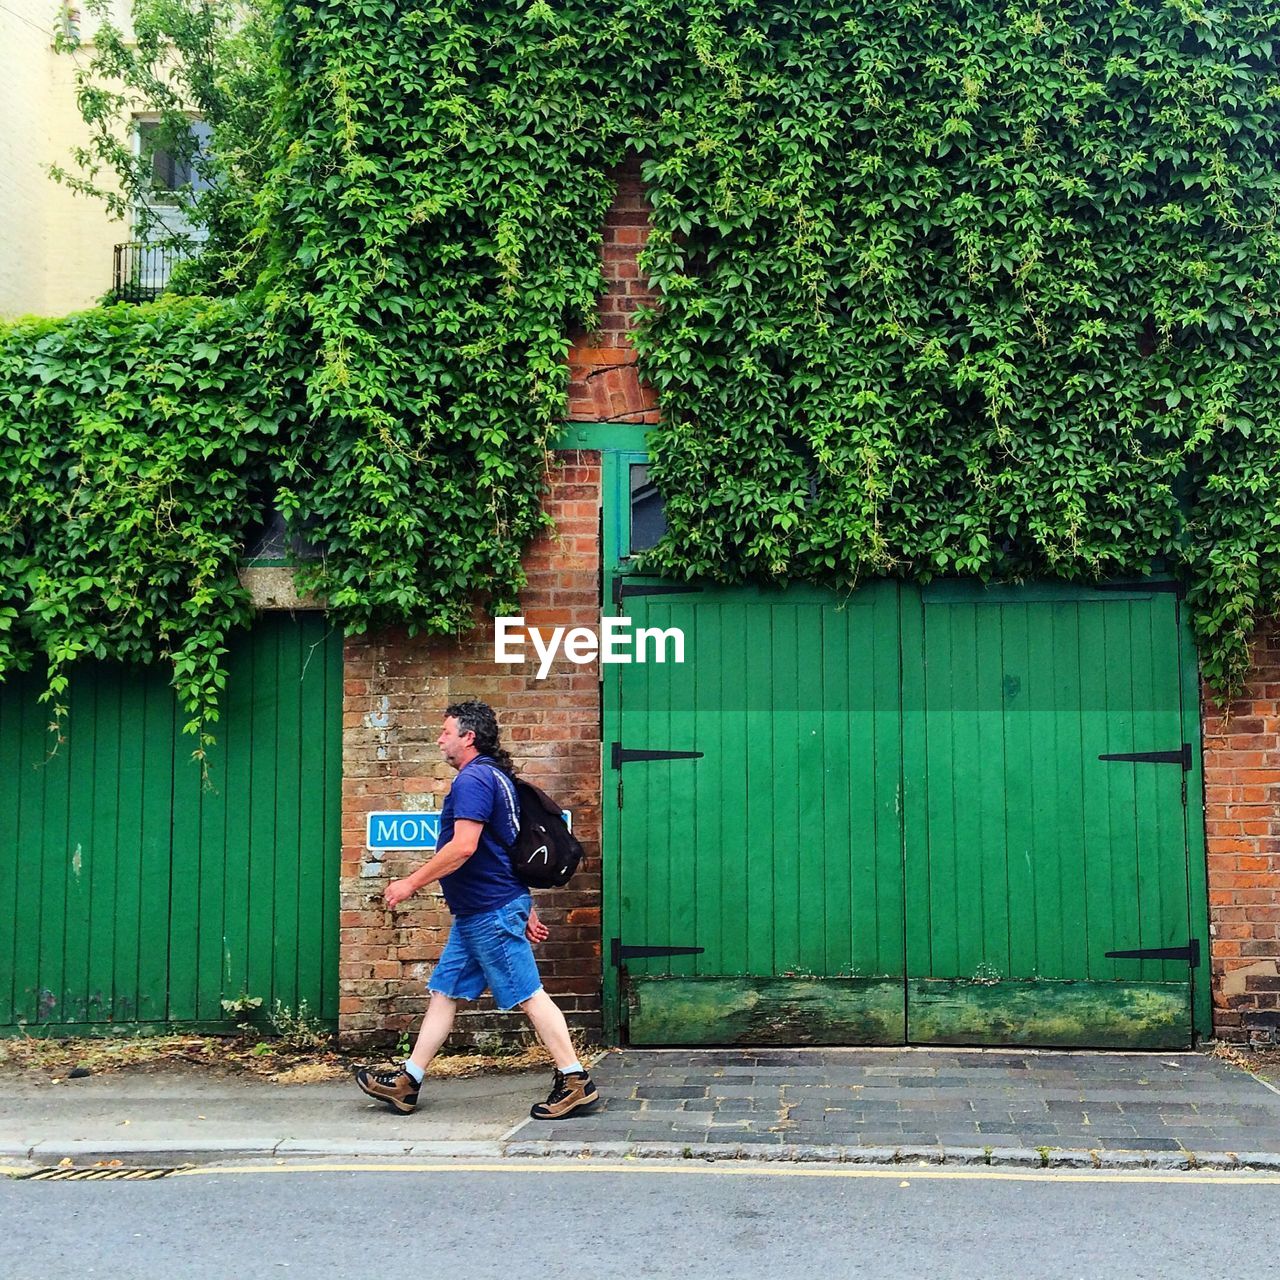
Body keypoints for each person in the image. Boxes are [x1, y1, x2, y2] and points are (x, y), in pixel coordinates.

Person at [354, 699, 600, 1121]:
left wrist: (410, 883)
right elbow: (506, 850)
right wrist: (525, 906)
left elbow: (465, 847)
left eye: (446, 732)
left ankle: (575, 1079)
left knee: (529, 995)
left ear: (468, 737)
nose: (439, 739)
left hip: (489, 910)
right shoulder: (496, 778)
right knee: (445, 992)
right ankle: (408, 1082)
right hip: (480, 911)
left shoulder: (473, 781)